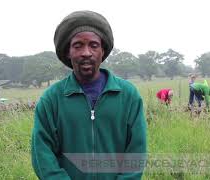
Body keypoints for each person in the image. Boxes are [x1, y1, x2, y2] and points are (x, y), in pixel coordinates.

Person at [31, 10, 147, 179]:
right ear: (67, 52)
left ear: (103, 51)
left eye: (94, 45)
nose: (86, 52)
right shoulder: (51, 100)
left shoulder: (128, 95)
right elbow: (42, 155)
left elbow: (136, 150)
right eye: (78, 45)